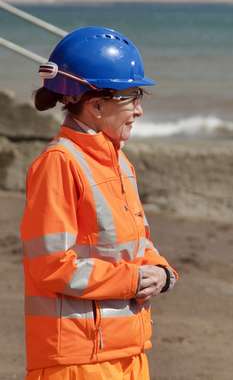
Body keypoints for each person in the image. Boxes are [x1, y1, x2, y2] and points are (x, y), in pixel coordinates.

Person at [21, 27, 177, 379]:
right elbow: (52, 265)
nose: (138, 111)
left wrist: (163, 273)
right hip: (78, 360)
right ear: (95, 105)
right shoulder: (59, 163)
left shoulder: (120, 162)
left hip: (128, 352)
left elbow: (137, 245)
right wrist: (135, 280)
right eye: (132, 97)